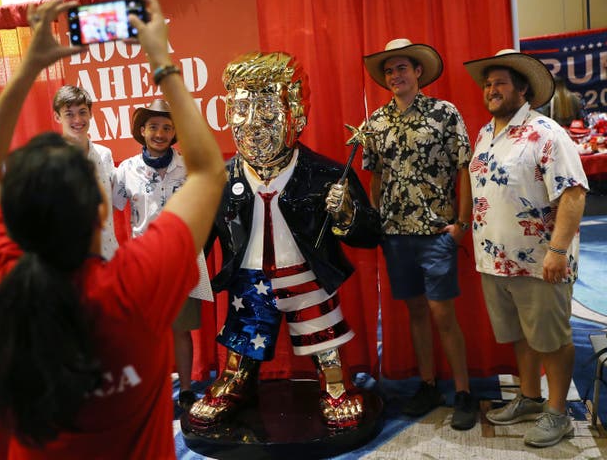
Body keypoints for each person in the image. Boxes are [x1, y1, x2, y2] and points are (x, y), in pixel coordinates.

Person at [0, 0, 225, 459]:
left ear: (14, 222)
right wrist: (160, 59)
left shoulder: (3, 281)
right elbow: (210, 170)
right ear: (103, 210)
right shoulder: (137, 283)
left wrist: (28, 69)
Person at [188, 51, 381, 429]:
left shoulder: (325, 173)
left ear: (296, 113)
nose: (252, 125)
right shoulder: (219, 179)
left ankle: (335, 383)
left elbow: (371, 234)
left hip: (306, 277)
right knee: (244, 334)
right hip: (250, 280)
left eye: (266, 111)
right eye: (241, 110)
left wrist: (346, 215)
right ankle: (234, 380)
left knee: (322, 334)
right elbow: (200, 234)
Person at [464, 49, 588, 448]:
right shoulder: (485, 133)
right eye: (488, 84)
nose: (491, 89)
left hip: (541, 260)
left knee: (551, 337)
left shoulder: (547, 133)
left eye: (500, 83)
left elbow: (572, 194)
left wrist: (557, 250)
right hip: (495, 259)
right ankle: (531, 397)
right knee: (521, 334)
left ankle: (558, 414)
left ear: (523, 89)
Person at [361, 38, 476, 430]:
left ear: (418, 72)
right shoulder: (375, 122)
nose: (396, 76)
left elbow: (464, 168)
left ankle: (463, 392)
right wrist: (375, 220)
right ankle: (428, 385)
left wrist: (462, 224)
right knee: (414, 312)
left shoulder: (445, 113)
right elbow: (375, 176)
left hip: (436, 233)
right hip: (394, 234)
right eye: (390, 71)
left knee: (443, 312)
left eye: (402, 68)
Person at [113, 99, 214, 411]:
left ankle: (185, 390)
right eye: (153, 126)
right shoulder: (125, 170)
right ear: (142, 130)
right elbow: (113, 207)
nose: (160, 133)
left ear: (175, 133)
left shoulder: (188, 167)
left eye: (167, 127)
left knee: (180, 329)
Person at [53, 85, 119, 260]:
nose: (77, 119)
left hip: (108, 254)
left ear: (90, 113)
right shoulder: (50, 160)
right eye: (69, 114)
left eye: (82, 112)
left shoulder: (105, 155)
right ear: (57, 117)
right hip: (71, 261)